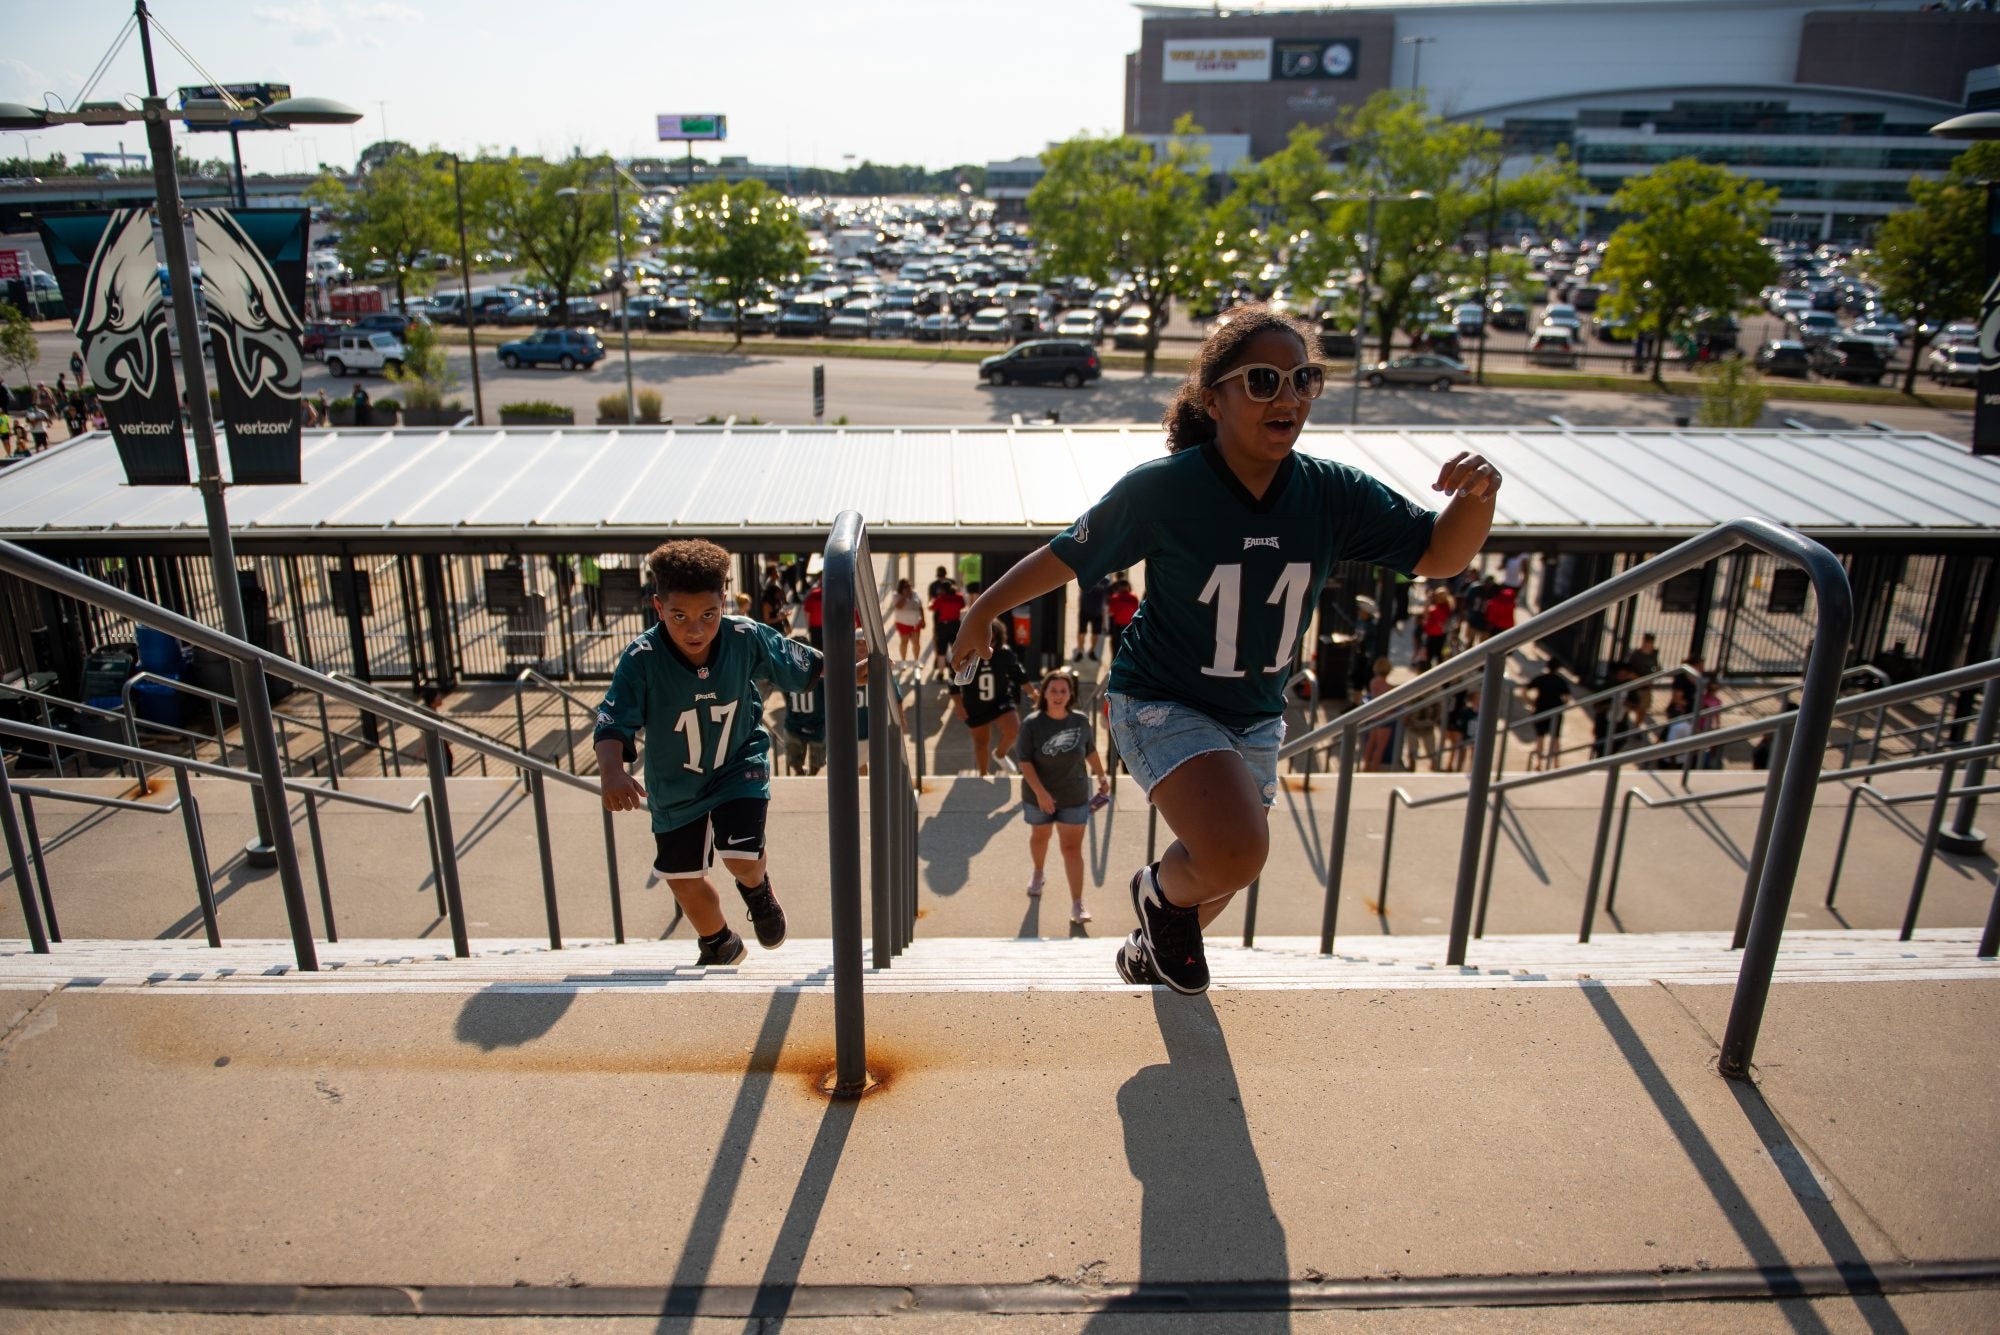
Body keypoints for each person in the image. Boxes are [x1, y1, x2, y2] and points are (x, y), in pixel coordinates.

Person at [949, 303, 1500, 993]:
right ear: (1214, 400)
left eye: (1304, 379)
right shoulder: (1166, 488)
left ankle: (1146, 944)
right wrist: (981, 608)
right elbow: (1068, 554)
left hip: (1254, 713)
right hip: (1159, 698)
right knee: (1234, 849)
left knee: (1224, 874)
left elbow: (1440, 553)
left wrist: (1479, 494)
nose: (1290, 396)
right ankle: (1154, 893)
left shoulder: (1331, 492)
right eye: (1263, 380)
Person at [595, 539, 824, 966]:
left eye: (708, 615)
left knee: (740, 858)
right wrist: (612, 770)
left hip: (738, 764)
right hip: (675, 781)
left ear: (724, 601)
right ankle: (720, 943)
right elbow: (613, 718)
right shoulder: (642, 657)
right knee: (681, 878)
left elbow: (800, 664)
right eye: (679, 616)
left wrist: (854, 668)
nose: (695, 630)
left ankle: (757, 891)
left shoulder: (744, 635)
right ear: (658, 608)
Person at [1015, 668, 1111, 924]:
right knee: (1040, 837)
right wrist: (1041, 793)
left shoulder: (1080, 721)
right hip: (1039, 797)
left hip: (1074, 795)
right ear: (1044, 693)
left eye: (1063, 691)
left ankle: (1077, 905)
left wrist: (1102, 777)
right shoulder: (1032, 724)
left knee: (1071, 849)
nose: (1058, 695)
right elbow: (1024, 761)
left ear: (1070, 695)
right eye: (1053, 690)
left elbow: (1090, 751)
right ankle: (1038, 872)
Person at [952, 619, 1032, 776]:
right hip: (975, 704)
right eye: (985, 640)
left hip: (1000, 700)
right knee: (981, 743)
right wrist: (958, 705)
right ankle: (983, 774)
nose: (989, 644)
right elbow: (953, 682)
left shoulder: (1005, 653)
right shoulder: (967, 654)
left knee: (1014, 731)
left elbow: (1019, 675)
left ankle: (1000, 754)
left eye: (993, 640)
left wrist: (1034, 694)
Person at [779, 636, 826, 776]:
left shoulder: (820, 674)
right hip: (794, 724)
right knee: (793, 759)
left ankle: (811, 776)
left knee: (817, 760)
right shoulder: (784, 671)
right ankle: (800, 774)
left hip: (817, 724)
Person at [1523, 658, 1573, 769]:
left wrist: (1530, 702)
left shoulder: (1541, 679)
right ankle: (1556, 763)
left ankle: (1539, 763)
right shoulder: (1560, 681)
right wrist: (1562, 706)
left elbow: (1525, 690)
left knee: (1540, 737)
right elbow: (1567, 697)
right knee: (1555, 738)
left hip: (1541, 710)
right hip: (1555, 711)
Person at [929, 577, 965, 681]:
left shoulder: (941, 598)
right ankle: (955, 671)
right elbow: (962, 606)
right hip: (955, 625)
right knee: (955, 650)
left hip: (942, 627)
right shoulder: (959, 597)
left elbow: (932, 607)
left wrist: (932, 600)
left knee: (941, 652)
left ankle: (940, 674)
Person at [1075, 575, 1110, 661]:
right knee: (1083, 632)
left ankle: (1088, 651)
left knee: (1093, 633)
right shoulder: (1105, 580)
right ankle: (1081, 650)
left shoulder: (1090, 576)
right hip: (1088, 610)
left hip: (1094, 611)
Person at [889, 577, 924, 661]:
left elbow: (920, 607)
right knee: (904, 642)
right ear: (901, 588)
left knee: (916, 643)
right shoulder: (896, 595)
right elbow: (898, 606)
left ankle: (916, 660)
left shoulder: (915, 594)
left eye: (909, 586)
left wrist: (923, 619)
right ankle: (903, 660)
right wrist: (905, 597)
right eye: (906, 587)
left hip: (915, 622)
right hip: (903, 623)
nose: (908, 588)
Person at [1105, 575, 1139, 659]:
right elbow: (1136, 612)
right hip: (1129, 627)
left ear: (1119, 587)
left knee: (1115, 647)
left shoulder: (1115, 598)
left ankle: (1114, 663)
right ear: (1128, 587)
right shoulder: (1134, 598)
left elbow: (1110, 613)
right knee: (1127, 648)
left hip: (1117, 627)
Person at [759, 564, 786, 629]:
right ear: (771, 574)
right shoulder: (770, 585)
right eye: (775, 572)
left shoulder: (776, 582)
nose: (777, 574)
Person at [802, 576, 824, 650]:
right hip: (827, 627)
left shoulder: (812, 595)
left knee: (816, 649)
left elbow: (807, 613)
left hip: (815, 628)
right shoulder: (833, 595)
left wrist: (808, 626)